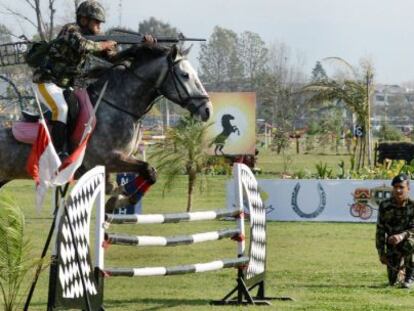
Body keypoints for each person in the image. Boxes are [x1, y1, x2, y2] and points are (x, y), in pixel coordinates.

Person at [31, 0, 117, 159]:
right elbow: (84, 46)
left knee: (78, 110)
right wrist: (105, 44)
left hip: (64, 87)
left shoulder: (92, 39)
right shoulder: (70, 30)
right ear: (84, 20)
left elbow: (114, 58)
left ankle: (71, 149)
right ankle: (57, 154)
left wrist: (142, 46)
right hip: (45, 82)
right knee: (62, 109)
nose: (100, 27)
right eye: (97, 22)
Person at [376, 173, 414, 288]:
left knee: (410, 244)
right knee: (393, 282)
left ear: (408, 188)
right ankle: (399, 273)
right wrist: (381, 253)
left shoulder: (413, 206)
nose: (398, 190)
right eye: (395, 187)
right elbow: (380, 230)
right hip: (393, 245)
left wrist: (402, 235)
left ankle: (410, 276)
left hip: (409, 241)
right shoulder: (384, 206)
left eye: (401, 187)